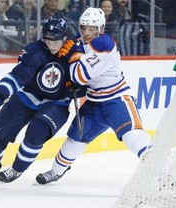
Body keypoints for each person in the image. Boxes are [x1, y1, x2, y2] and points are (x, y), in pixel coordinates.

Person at [35, 7, 151, 185]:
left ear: (101, 29)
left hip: (116, 100)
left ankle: (159, 172)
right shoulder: (79, 40)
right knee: (74, 140)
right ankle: (56, 171)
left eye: (92, 29)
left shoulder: (104, 44)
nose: (87, 33)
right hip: (94, 102)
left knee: (134, 136)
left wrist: (73, 55)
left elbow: (79, 75)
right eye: (84, 27)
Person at [0, 16, 77, 184]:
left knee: (36, 132)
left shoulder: (75, 53)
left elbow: (88, 75)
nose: (52, 45)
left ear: (64, 37)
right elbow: (17, 77)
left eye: (56, 41)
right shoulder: (35, 51)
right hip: (27, 96)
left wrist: (80, 84)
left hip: (57, 102)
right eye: (48, 40)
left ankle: (17, 169)